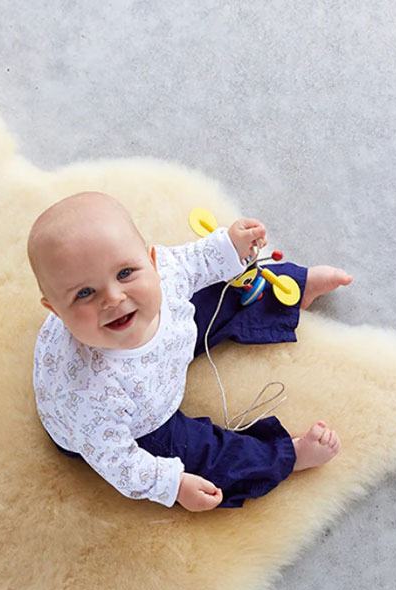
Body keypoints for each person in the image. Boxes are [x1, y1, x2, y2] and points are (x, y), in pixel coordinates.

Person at [29, 191, 353, 511]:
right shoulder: (90, 396)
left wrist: (229, 246)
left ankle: (294, 288)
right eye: (85, 293)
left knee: (227, 286)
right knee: (208, 459)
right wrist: (173, 484)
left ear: (150, 260)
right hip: (139, 420)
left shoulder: (162, 274)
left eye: (125, 273)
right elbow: (120, 464)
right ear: (56, 310)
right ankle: (287, 456)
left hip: (166, 351)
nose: (113, 298)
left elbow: (193, 261)